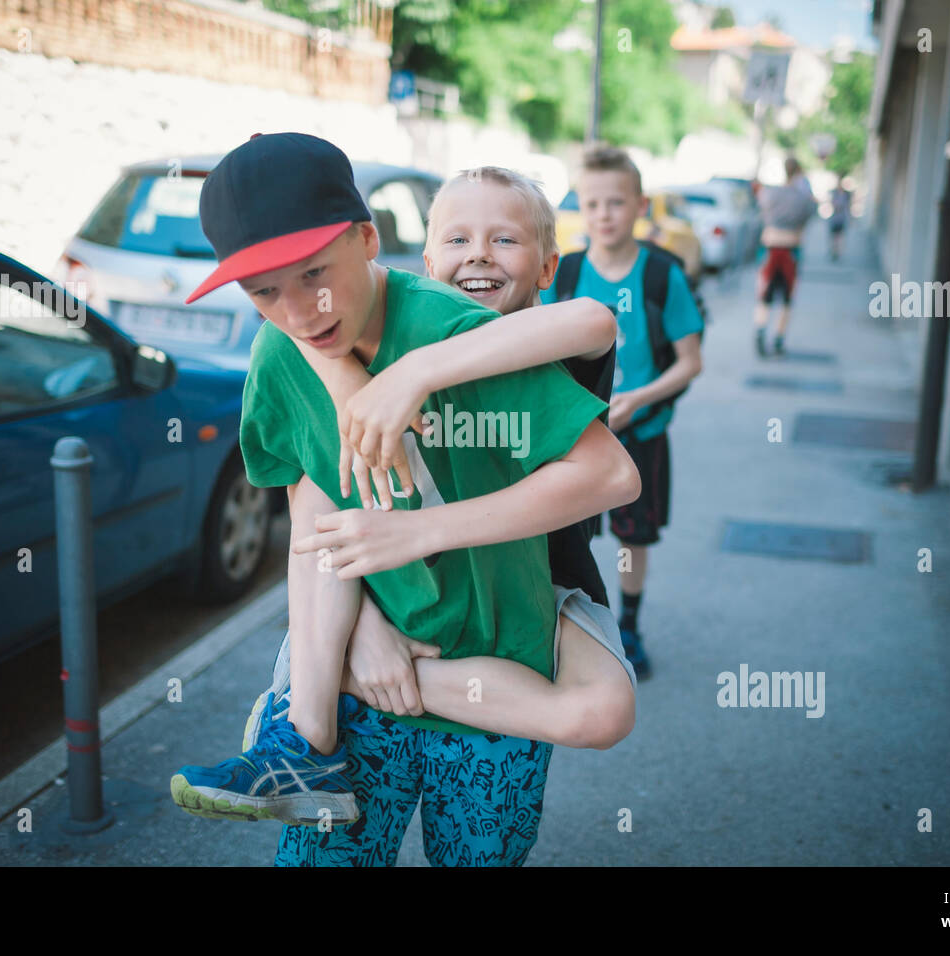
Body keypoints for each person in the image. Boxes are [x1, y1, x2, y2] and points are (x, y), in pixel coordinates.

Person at [170, 133, 639, 867]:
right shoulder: (283, 351)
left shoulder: (463, 335)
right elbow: (312, 518)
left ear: (367, 239)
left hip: (495, 674)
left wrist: (418, 532)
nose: (297, 311)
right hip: (356, 688)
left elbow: (611, 467)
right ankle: (300, 740)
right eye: (263, 290)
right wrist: (355, 642)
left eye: (314, 274)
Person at [539, 145, 704, 680]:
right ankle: (574, 627)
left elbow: (689, 362)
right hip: (576, 437)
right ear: (580, 210)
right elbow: (535, 349)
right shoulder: (563, 275)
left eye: (616, 202)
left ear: (639, 205)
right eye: (592, 203)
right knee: (568, 535)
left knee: (634, 537)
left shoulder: (661, 275)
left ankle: (629, 626)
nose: (604, 214)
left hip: (643, 435)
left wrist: (638, 399)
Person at [753, 156, 817, 357]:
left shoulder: (769, 194)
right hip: (791, 249)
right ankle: (779, 338)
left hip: (770, 248)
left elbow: (761, 212)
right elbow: (810, 214)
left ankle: (760, 331)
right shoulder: (801, 198)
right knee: (787, 299)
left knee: (764, 295)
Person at [828, 178, 851, 261]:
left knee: (840, 236)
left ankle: (838, 251)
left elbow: (847, 207)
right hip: (834, 219)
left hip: (841, 219)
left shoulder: (846, 195)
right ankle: (834, 251)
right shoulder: (835, 194)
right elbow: (833, 204)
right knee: (834, 237)